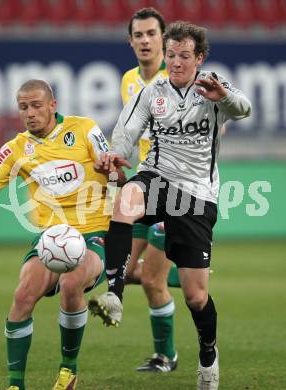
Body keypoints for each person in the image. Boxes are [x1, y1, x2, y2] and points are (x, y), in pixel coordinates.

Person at [89, 21, 252, 390]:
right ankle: (114, 296)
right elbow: (127, 130)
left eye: (184, 56)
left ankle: (207, 352)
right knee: (127, 199)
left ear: (199, 58)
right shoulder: (153, 91)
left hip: (197, 194)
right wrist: (116, 154)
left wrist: (222, 96)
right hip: (156, 178)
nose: (176, 63)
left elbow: (244, 108)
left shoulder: (212, 86)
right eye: (172, 55)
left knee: (196, 296)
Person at [0, 79, 128, 390]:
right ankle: (15, 385)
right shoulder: (15, 148)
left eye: (36, 106)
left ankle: (68, 371)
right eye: (23, 107)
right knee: (23, 295)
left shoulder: (85, 129)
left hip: (94, 232)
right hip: (51, 239)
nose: (29, 113)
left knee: (71, 284)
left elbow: (120, 174)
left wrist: (111, 170)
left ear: (52, 106)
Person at [121, 7, 179, 373]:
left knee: (152, 281)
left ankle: (166, 357)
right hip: (144, 187)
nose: (145, 40)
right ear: (131, 41)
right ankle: (184, 266)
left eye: (151, 34)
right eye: (138, 35)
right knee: (122, 272)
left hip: (176, 190)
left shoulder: (178, 78)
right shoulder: (128, 79)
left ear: (163, 38)